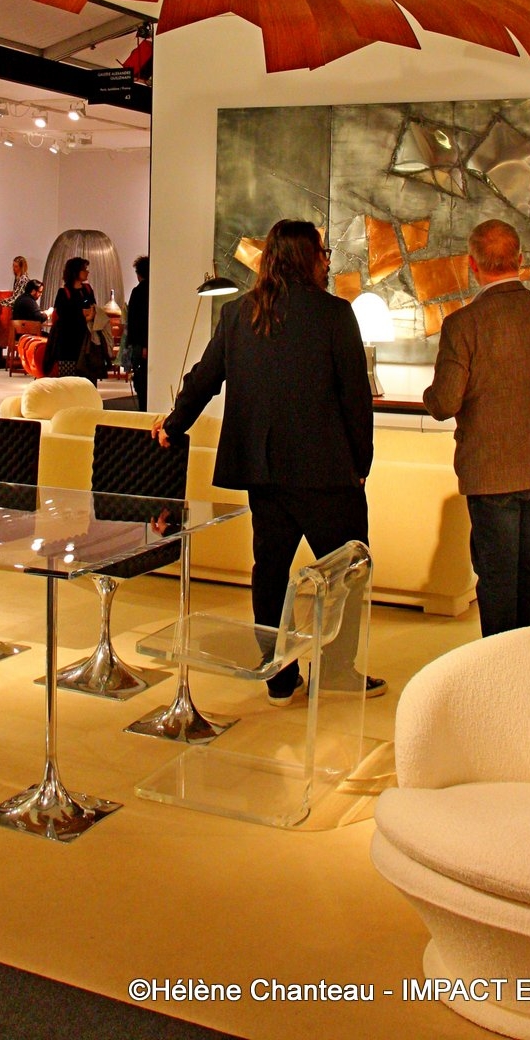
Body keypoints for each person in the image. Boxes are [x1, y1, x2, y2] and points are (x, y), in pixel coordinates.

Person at [153, 219, 382, 701]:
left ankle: (278, 675)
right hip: (327, 473)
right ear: (307, 257)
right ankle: (336, 671)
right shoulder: (335, 314)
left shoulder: (240, 313)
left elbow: (204, 377)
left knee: (271, 572)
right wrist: (362, 463)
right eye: (322, 253)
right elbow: (355, 398)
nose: (326, 261)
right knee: (347, 573)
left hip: (264, 469)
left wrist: (173, 425)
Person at [423, 218, 530, 638]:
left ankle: (500, 668)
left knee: (498, 581)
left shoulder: (463, 324)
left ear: (472, 265)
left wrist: (429, 396)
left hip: (490, 473)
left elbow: (444, 402)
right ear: (520, 259)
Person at [44, 256, 95, 376]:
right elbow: (64, 316)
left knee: (86, 374)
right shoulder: (63, 292)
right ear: (75, 271)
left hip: (86, 337)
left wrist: (88, 315)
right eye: (84, 269)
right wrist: (83, 316)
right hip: (67, 340)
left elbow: (93, 307)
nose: (87, 272)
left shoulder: (87, 289)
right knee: (68, 375)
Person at [126, 255, 149, 410]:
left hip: (141, 345)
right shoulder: (155, 290)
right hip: (147, 343)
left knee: (141, 382)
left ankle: (143, 411)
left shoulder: (138, 291)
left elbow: (135, 321)